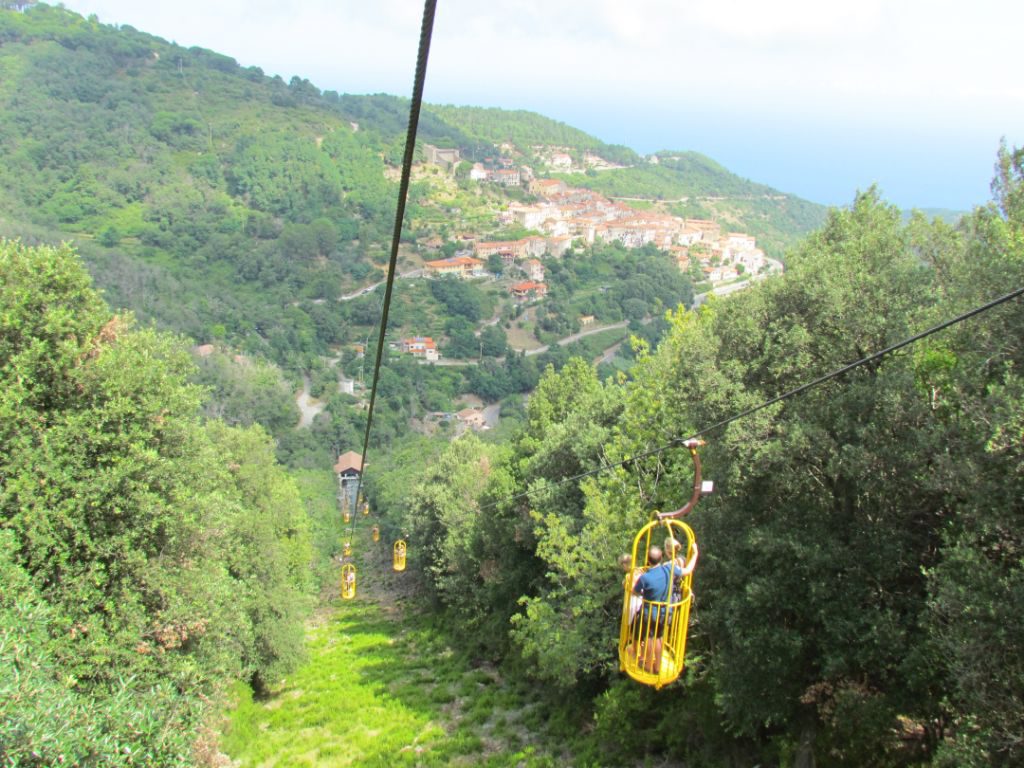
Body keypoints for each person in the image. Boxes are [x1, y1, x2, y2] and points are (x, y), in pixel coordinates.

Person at [633, 545, 683, 673]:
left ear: (648, 560)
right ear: (661, 559)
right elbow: (687, 570)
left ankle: (649, 666)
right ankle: (658, 667)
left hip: (650, 613)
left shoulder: (645, 578)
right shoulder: (668, 569)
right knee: (659, 638)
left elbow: (635, 591)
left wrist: (642, 592)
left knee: (649, 638)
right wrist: (694, 554)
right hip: (664, 613)